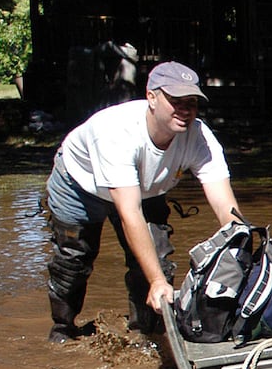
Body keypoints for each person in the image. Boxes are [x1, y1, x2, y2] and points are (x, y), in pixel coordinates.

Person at [44, 61, 244, 343]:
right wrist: (156, 282)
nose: (185, 111)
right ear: (151, 97)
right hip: (79, 185)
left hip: (146, 189)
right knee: (74, 261)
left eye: (192, 103)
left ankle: (144, 333)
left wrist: (243, 248)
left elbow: (226, 206)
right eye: (176, 101)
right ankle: (63, 328)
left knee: (157, 262)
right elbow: (130, 214)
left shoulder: (200, 137)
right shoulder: (116, 133)